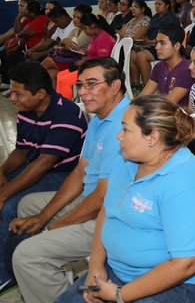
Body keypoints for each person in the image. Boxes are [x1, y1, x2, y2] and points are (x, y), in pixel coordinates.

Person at [55, 95, 195, 303]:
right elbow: (107, 212)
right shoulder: (127, 161)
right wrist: (96, 266)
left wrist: (119, 295)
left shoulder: (189, 183)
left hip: (179, 283)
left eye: (126, 129)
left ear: (152, 137)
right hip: (120, 270)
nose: (118, 136)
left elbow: (186, 264)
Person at [11, 58, 128, 303]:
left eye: (92, 84)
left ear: (115, 86)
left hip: (111, 220)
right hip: (92, 200)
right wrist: (42, 217)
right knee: (28, 206)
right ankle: (54, 281)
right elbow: (80, 172)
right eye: (81, 85)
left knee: (27, 255)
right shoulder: (98, 117)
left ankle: (58, 295)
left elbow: (101, 198)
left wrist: (53, 226)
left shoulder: (123, 126)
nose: (83, 92)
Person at [0, 62, 87, 289]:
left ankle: (5, 271)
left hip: (65, 174)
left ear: (40, 94)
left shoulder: (66, 114)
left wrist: (5, 193)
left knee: (9, 204)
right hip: (39, 166)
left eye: (18, 93)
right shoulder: (27, 111)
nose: (13, 98)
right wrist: (2, 171)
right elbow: (21, 152)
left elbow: (45, 162)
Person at [49, 13, 117, 101]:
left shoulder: (102, 38)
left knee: (64, 81)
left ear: (92, 26)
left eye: (85, 28)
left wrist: (83, 62)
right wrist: (85, 53)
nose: (84, 31)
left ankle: (65, 106)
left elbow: (103, 61)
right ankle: (60, 102)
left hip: (97, 70)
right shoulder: (96, 36)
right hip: (90, 66)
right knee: (60, 74)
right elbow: (94, 53)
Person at [130, 0, 179, 88]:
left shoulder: (171, 18)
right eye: (155, 4)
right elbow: (150, 31)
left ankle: (148, 86)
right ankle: (136, 85)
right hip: (151, 44)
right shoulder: (155, 17)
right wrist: (145, 39)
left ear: (167, 6)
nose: (157, 6)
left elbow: (169, 36)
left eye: (159, 4)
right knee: (132, 54)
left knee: (141, 56)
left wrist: (152, 41)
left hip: (165, 46)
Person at [139, 23, 193, 107]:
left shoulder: (187, 70)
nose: (157, 47)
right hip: (161, 113)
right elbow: (143, 96)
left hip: (177, 117)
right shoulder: (159, 67)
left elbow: (167, 104)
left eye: (162, 43)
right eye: (157, 43)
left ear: (176, 46)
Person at [0, 0, 50, 86]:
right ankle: (6, 82)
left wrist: (18, 34)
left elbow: (25, 33)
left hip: (32, 47)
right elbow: (17, 30)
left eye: (25, 8)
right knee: (4, 53)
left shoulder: (41, 18)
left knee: (11, 57)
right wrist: (18, 18)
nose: (22, 10)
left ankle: (12, 83)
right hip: (24, 45)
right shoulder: (28, 19)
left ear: (32, 12)